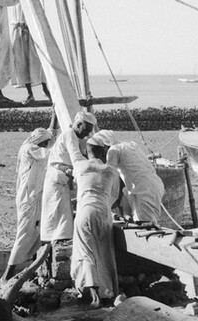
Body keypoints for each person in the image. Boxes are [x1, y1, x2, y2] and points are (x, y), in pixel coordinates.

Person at [70, 131, 120, 308]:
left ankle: (93, 295)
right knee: (105, 253)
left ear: (87, 151)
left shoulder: (80, 167)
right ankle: (108, 292)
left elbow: (73, 181)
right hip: (104, 213)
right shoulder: (111, 171)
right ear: (103, 152)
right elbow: (116, 198)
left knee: (86, 252)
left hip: (85, 212)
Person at [1, 128, 54, 281]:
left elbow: (49, 132)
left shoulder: (33, 145)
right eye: (44, 143)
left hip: (34, 196)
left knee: (37, 232)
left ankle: (32, 271)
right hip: (28, 198)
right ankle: (7, 275)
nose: (45, 146)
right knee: (24, 234)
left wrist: (54, 115)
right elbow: (49, 153)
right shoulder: (29, 148)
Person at [40, 110, 97, 244]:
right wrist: (94, 167)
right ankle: (57, 243)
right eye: (86, 129)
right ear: (78, 124)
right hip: (57, 178)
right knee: (59, 217)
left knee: (60, 216)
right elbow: (76, 158)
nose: (88, 134)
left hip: (60, 179)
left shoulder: (73, 136)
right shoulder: (69, 134)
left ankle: (56, 242)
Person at [8, 0, 52, 105]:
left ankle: (46, 89)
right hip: (18, 32)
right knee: (21, 63)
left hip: (30, 30)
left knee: (37, 61)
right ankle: (30, 93)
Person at [101, 131, 165, 224]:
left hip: (144, 190)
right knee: (141, 220)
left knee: (145, 225)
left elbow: (110, 175)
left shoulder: (113, 150)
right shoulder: (130, 145)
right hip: (153, 185)